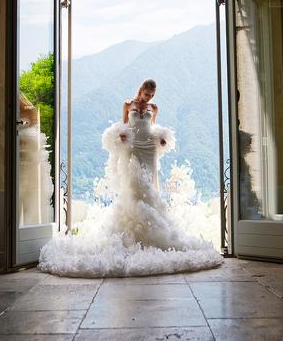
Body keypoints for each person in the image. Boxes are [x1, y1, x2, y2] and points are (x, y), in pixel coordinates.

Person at [38, 79, 223, 277]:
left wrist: (161, 139)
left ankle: (152, 229)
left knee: (149, 186)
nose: (149, 97)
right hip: (134, 149)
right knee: (134, 185)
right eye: (147, 93)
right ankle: (133, 229)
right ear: (141, 89)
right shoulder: (128, 105)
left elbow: (152, 127)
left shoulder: (154, 107)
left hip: (149, 150)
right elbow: (124, 126)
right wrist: (122, 137)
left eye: (152, 94)